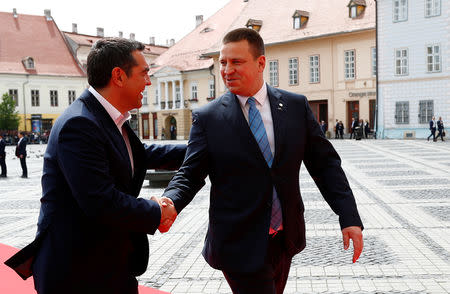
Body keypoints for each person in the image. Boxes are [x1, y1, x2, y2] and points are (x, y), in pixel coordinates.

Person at [160, 28, 363, 294]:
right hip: (238, 242)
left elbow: (325, 165)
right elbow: (190, 172)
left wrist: (348, 216)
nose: (227, 70)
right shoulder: (208, 118)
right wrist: (171, 201)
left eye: (236, 62)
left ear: (260, 63)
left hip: (284, 238)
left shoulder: (294, 107)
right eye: (223, 62)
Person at [5, 38, 186, 294]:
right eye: (144, 73)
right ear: (118, 76)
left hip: (107, 263)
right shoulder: (79, 124)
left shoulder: (105, 117)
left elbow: (138, 154)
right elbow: (101, 201)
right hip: (77, 271)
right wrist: (156, 212)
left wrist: (198, 150)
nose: (148, 81)